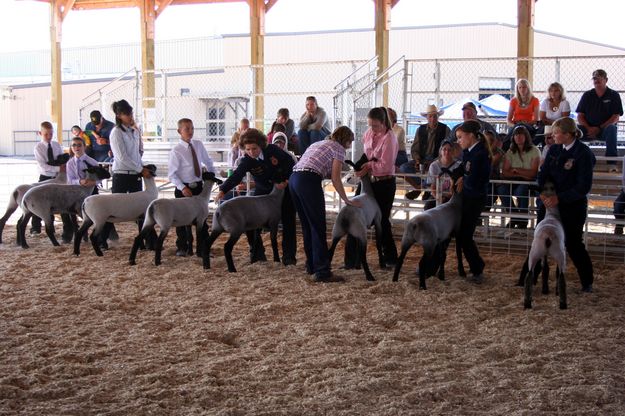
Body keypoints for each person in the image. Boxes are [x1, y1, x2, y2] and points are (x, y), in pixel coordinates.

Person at [214, 128, 297, 266]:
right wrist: (223, 189)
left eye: (254, 148)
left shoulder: (273, 150)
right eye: (248, 149)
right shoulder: (247, 160)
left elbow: (290, 163)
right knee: (250, 221)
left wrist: (287, 181)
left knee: (288, 220)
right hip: (263, 191)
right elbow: (237, 175)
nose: (251, 152)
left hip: (283, 189)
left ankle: (289, 257)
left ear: (261, 145)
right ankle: (257, 253)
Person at [289, 126, 361, 282]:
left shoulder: (318, 143)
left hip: (294, 179)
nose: (349, 147)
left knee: (308, 225)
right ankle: (322, 272)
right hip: (309, 180)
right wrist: (346, 199)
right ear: (346, 140)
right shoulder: (339, 148)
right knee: (318, 226)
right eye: (349, 143)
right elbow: (335, 178)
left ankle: (312, 265)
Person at [538, 116, 595, 292]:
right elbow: (544, 174)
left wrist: (560, 198)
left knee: (573, 243)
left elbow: (583, 186)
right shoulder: (554, 150)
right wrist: (546, 194)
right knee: (540, 239)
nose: (552, 136)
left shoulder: (584, 154)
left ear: (568, 134)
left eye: (556, 133)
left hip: (573, 206)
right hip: (550, 202)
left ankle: (587, 281)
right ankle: (530, 276)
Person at [345, 107, 399, 268]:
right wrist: (359, 166)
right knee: (355, 214)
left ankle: (389, 258)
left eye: (375, 125)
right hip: (368, 181)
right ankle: (351, 261)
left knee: (381, 220)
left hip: (384, 182)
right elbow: (367, 155)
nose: (372, 128)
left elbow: (385, 165)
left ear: (383, 123)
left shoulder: (390, 138)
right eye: (370, 125)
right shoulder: (369, 134)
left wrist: (367, 166)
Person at [168, 118, 217, 257]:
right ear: (179, 131)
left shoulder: (198, 144)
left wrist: (212, 174)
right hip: (184, 189)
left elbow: (207, 161)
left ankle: (203, 248)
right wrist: (182, 187)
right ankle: (182, 247)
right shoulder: (176, 151)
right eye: (186, 129)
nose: (190, 131)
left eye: (192, 128)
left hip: (198, 188)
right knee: (181, 220)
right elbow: (172, 174)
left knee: (201, 219)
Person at [455, 120, 492, 284]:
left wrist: (464, 180)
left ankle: (477, 267)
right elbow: (463, 169)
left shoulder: (480, 154)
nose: (458, 141)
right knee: (462, 234)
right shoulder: (470, 152)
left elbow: (476, 179)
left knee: (465, 234)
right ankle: (476, 265)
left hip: (475, 197)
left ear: (470, 136)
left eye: (460, 137)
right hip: (468, 196)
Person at [31, 121, 73, 242]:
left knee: (62, 202)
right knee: (39, 201)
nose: (49, 137)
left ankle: (67, 230)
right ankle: (36, 227)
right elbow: (43, 166)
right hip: (45, 177)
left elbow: (61, 159)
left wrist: (62, 163)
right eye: (46, 134)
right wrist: (58, 167)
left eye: (51, 134)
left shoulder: (56, 145)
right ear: (40, 133)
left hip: (58, 178)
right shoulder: (38, 148)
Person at [400, 104, 451, 200]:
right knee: (403, 168)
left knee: (433, 167)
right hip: (422, 159)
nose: (432, 119)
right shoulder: (420, 130)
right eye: (430, 116)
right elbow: (414, 149)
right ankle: (423, 187)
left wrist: (435, 161)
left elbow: (447, 149)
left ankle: (420, 189)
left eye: (434, 116)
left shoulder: (445, 129)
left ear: (437, 117)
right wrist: (417, 160)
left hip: (438, 159)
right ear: (427, 117)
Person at [576, 69, 623, 171]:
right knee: (573, 130)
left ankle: (611, 163)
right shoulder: (587, 95)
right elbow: (580, 115)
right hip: (588, 130)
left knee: (612, 128)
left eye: (599, 77)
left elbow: (616, 116)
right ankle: (574, 160)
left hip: (604, 130)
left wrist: (599, 128)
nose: (596, 79)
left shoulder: (614, 95)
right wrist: (588, 128)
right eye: (594, 77)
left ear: (606, 80)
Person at [497, 125, 540, 229]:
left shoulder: (534, 150)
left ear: (526, 137)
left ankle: (523, 219)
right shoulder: (510, 151)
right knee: (501, 189)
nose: (518, 137)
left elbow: (533, 173)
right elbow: (505, 172)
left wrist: (516, 170)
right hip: (514, 180)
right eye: (516, 135)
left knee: (521, 190)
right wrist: (522, 173)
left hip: (530, 182)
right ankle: (515, 216)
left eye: (521, 135)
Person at [423, 140, 462, 211]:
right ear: (440, 151)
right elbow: (432, 185)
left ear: (453, 151)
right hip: (437, 194)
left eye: (449, 150)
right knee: (427, 208)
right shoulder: (434, 165)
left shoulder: (458, 165)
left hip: (452, 195)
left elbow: (457, 186)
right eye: (444, 149)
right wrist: (438, 198)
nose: (447, 152)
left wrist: (450, 196)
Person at [506, 79, 540, 145]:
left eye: (524, 87)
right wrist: (515, 126)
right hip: (515, 124)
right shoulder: (513, 101)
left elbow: (536, 120)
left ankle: (504, 144)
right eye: (520, 87)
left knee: (521, 126)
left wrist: (524, 124)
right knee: (519, 127)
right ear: (517, 89)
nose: (522, 89)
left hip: (529, 125)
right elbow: (508, 120)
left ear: (528, 88)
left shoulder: (535, 100)